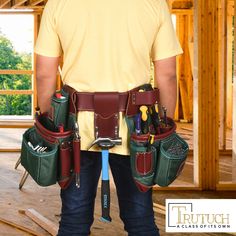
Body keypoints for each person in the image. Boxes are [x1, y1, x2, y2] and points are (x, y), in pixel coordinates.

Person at [35, 0, 182, 235]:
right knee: (140, 219)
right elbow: (168, 75)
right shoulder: (154, 3)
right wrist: (162, 130)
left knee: (73, 220)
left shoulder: (59, 3)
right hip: (137, 130)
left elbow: (44, 74)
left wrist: (51, 129)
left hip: (76, 132)